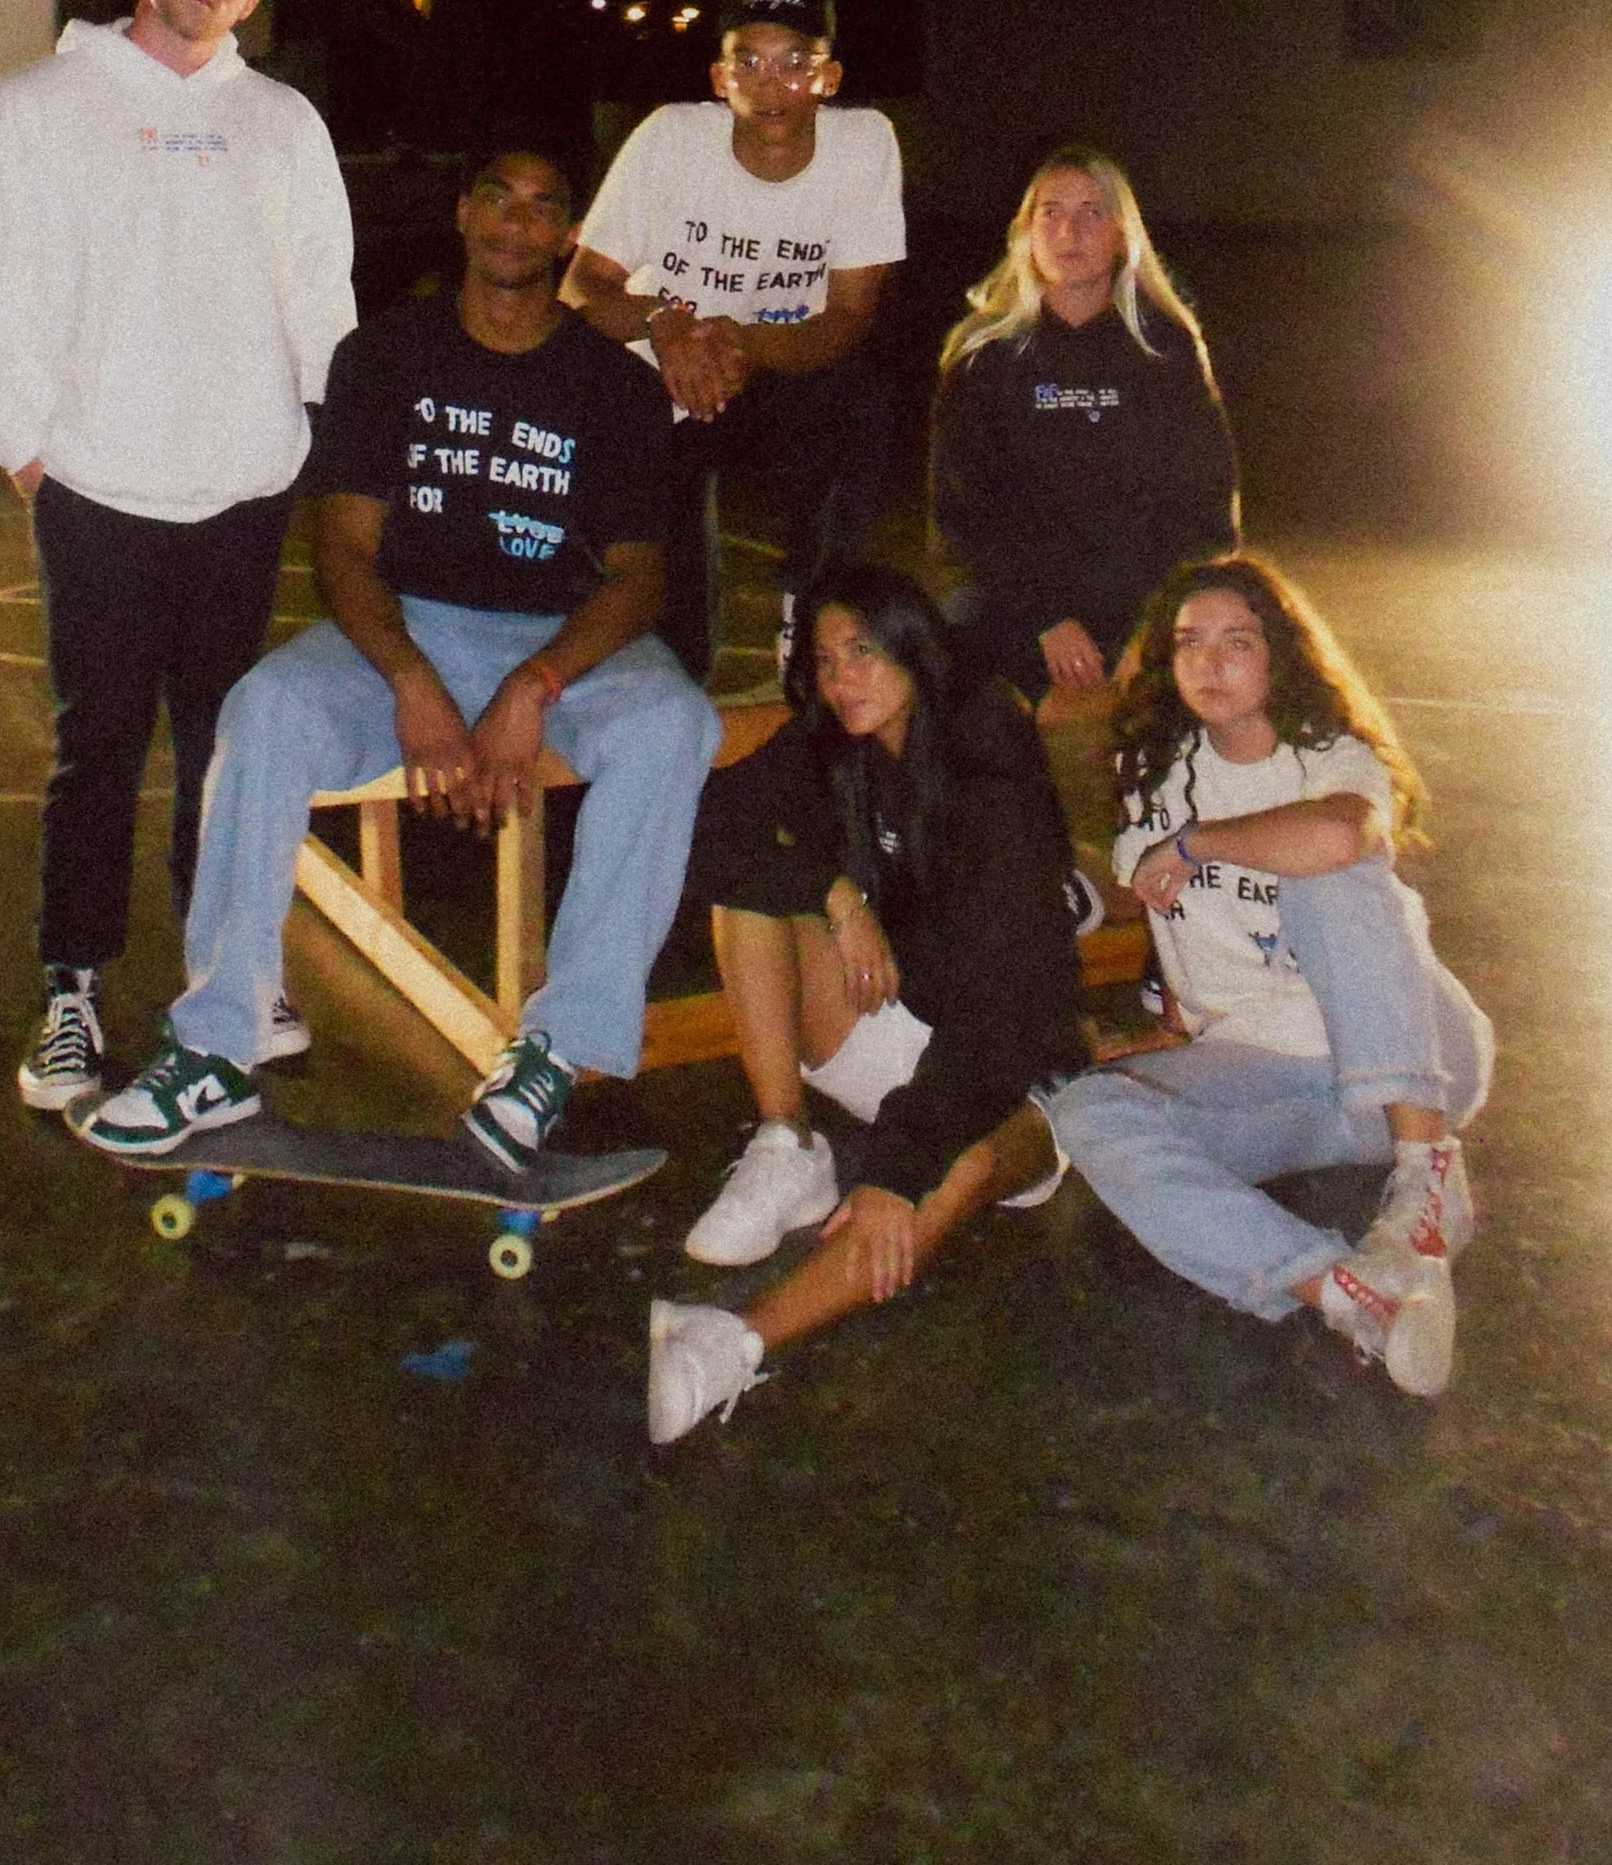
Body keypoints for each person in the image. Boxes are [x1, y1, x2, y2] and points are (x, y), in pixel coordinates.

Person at [82, 146, 721, 1168]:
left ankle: (557, 1051)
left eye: (540, 208)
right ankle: (215, 1046)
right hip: (407, 628)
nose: (515, 225)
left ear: (567, 236)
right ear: (462, 215)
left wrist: (534, 683)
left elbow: (639, 579)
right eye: (494, 200)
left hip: (554, 647)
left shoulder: (613, 385)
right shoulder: (382, 357)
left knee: (676, 722)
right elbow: (341, 547)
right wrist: (412, 680)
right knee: (266, 711)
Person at [0, 0, 354, 1112]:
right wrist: (23, 446)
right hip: (96, 488)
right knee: (96, 742)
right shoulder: (38, 108)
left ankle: (228, 979)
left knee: (228, 745)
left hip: (243, 491)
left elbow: (322, 304)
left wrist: (308, 437)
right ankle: (71, 992)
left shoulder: (281, 125)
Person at [646, 566, 1084, 1445]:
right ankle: (786, 1140)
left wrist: (895, 1165)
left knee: (947, 1174)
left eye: (863, 651)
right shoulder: (833, 743)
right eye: (825, 658)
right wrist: (837, 894)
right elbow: (703, 828)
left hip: (1010, 1068)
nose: (843, 678)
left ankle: (728, 1344)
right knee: (751, 896)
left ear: (914, 648)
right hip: (890, 1025)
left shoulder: (985, 755)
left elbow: (997, 1024)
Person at [1041, 553, 1493, 1397]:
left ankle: (1429, 1173)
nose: (1210, 662)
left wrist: (1198, 843)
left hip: (1412, 1059)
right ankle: (1347, 1293)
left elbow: (1333, 839)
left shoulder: (1330, 756)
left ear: (1279, 654)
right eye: (1188, 642)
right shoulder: (1157, 781)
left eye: (1237, 641)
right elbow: (1186, 932)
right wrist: (1172, 1034)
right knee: (1086, 1109)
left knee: (1327, 870)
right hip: (1288, 1083)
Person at [561, 0, 904, 681]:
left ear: (829, 77)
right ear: (720, 77)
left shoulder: (865, 144)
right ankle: (665, 661)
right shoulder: (669, 139)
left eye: (794, 63)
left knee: (862, 402)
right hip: (665, 371)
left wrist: (743, 340)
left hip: (775, 364)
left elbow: (847, 318)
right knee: (670, 599)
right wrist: (667, 324)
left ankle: (811, 622)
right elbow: (581, 287)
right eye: (748, 60)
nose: (770, 82)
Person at [931, 145, 1236, 707]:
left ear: (1123, 234)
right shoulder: (982, 357)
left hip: (1140, 604)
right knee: (941, 638)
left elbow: (1204, 506)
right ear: (1026, 232)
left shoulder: (1166, 349)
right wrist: (1044, 618)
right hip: (1021, 602)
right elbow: (964, 515)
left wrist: (1156, 626)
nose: (1069, 231)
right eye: (1051, 213)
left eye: (1091, 212)